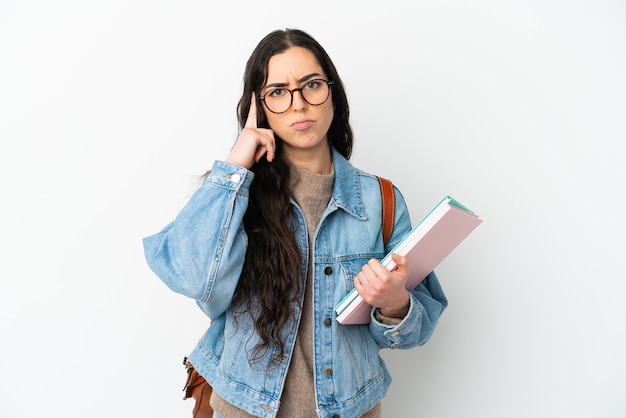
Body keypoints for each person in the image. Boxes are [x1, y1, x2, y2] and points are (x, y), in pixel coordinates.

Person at [143, 28, 448, 418]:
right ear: (260, 107)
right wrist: (235, 166)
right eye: (278, 92)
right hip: (245, 409)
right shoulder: (237, 194)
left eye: (311, 85)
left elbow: (418, 326)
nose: (299, 104)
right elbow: (189, 273)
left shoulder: (381, 201)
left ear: (333, 96)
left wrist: (394, 303)